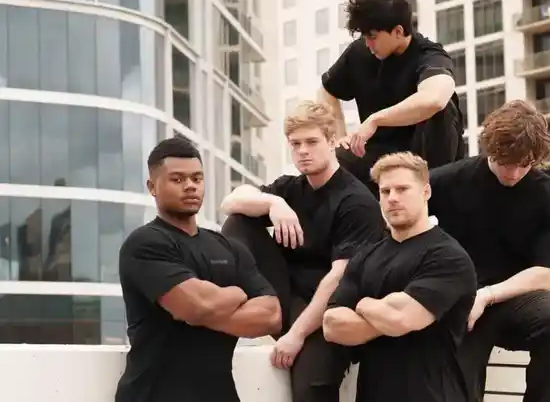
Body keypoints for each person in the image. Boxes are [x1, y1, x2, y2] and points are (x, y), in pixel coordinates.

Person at [219, 101, 385, 402]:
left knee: (311, 389)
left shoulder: (356, 202)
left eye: (311, 142)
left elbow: (340, 278)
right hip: (285, 297)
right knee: (238, 223)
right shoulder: (290, 189)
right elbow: (229, 202)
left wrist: (296, 335)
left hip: (329, 313)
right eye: (295, 144)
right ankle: (252, 311)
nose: (303, 151)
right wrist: (273, 204)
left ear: (332, 142)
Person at [427, 100, 550, 402]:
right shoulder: (445, 181)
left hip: (515, 301)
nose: (512, 173)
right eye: (504, 162)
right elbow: (395, 212)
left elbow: (545, 272)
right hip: (460, 302)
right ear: (489, 148)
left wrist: (487, 295)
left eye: (523, 164)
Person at [115, 138, 281, 402]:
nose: (190, 185)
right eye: (177, 179)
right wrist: (237, 294)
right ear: (152, 187)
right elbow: (197, 306)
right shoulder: (145, 243)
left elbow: (271, 315)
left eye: (196, 178)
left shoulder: (229, 248)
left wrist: (202, 312)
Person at [323, 152, 477, 402]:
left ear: (426, 192)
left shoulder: (448, 257)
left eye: (402, 189)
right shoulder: (365, 257)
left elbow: (400, 318)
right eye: (385, 191)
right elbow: (331, 325)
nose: (392, 198)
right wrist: (387, 317)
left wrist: (363, 304)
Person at [318, 0, 465, 196]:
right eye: (365, 37)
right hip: (379, 156)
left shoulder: (429, 55)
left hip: (426, 159)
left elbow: (435, 98)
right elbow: (326, 91)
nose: (368, 44)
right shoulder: (359, 53)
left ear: (398, 31)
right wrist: (340, 136)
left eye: (373, 37)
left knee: (442, 109)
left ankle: (431, 196)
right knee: (335, 158)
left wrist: (375, 119)